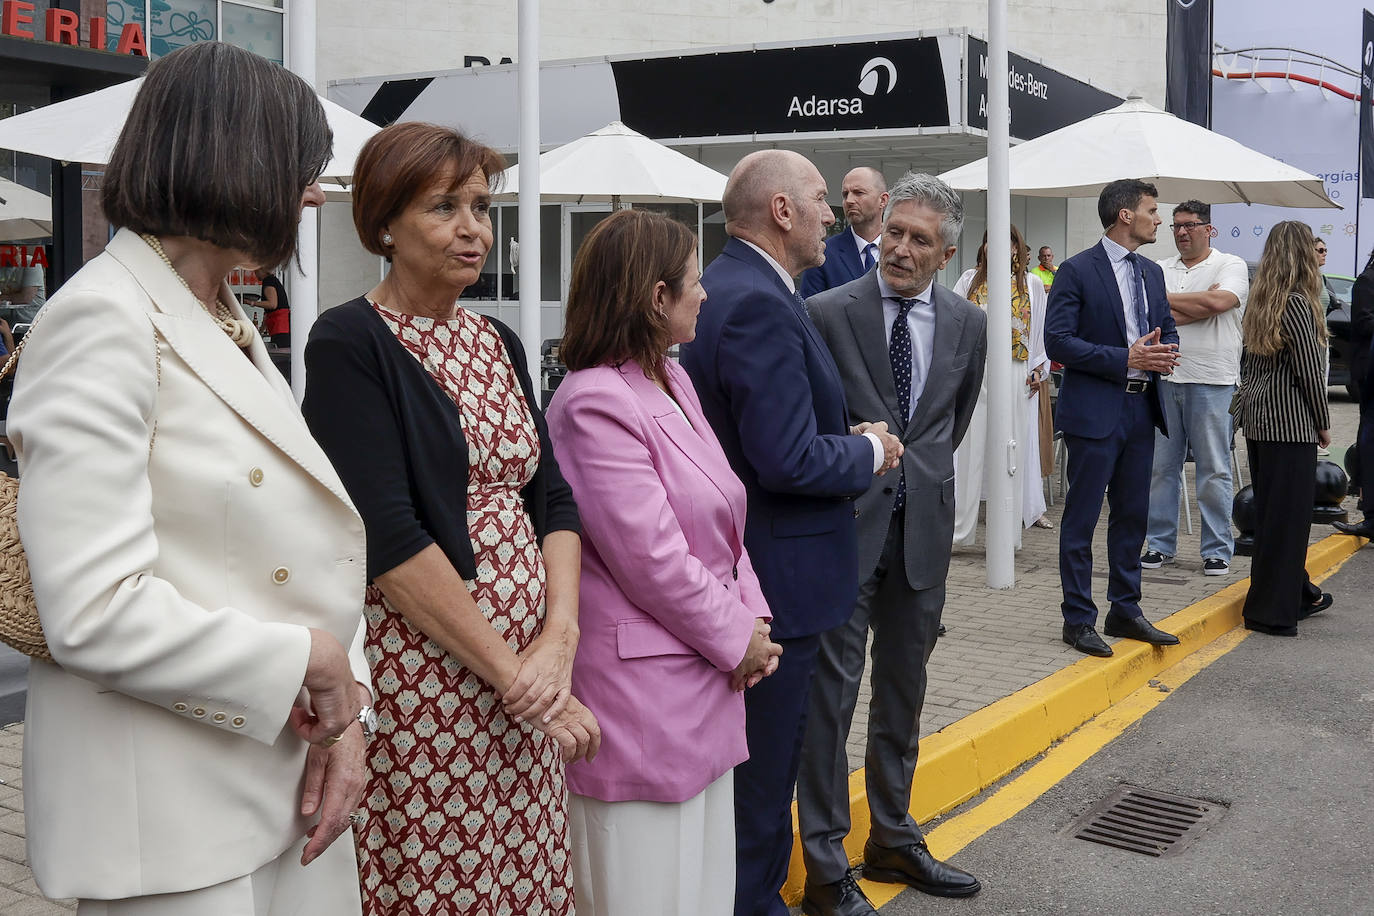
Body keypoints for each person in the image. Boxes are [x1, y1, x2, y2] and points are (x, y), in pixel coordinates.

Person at [8, 42, 372, 913]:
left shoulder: (221, 318)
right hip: (165, 824)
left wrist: (349, 708)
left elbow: (306, 541)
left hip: (275, 790)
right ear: (235, 164)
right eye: (300, 170)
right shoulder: (102, 318)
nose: (314, 194)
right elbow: (93, 609)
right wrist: (309, 662)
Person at [301, 121, 599, 915]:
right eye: (443, 208)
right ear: (384, 226)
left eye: (478, 205)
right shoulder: (349, 340)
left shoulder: (498, 339)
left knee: (526, 867)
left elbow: (554, 500)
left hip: (533, 669)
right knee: (444, 879)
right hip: (435, 679)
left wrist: (558, 640)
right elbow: (390, 543)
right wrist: (515, 675)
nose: (473, 228)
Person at [679, 149, 902, 916]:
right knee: (762, 786)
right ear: (780, 212)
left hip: (759, 577)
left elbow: (767, 432)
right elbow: (783, 458)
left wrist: (841, 431)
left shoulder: (737, 288)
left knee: (759, 782)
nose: (831, 212)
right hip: (776, 584)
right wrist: (870, 449)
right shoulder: (757, 301)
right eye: (817, 198)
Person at [545, 209, 781, 916]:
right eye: (693, 281)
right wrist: (738, 636)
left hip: (704, 680)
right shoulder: (592, 400)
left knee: (705, 891)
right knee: (645, 892)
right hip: (642, 697)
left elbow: (728, 523)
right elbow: (651, 558)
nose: (705, 293)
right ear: (654, 298)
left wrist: (754, 621)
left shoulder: (672, 382)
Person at [799, 172, 986, 916]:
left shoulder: (967, 325)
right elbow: (813, 423)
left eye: (916, 240)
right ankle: (823, 865)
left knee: (903, 696)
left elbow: (947, 425)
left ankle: (893, 837)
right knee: (831, 701)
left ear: (946, 253)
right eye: (893, 233)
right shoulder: (824, 311)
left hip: (924, 537)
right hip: (844, 533)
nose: (897, 249)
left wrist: (923, 490)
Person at [1045, 178, 1182, 658]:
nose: (1158, 218)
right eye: (1152, 209)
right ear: (1125, 214)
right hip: (1096, 411)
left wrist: (1164, 354)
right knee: (1080, 520)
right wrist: (1125, 357)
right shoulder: (1076, 270)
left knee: (1132, 517)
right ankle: (1077, 619)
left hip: (1141, 409)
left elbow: (1165, 328)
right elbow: (1057, 342)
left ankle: (1125, 609)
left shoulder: (1151, 273)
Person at [1230, 220, 1333, 634]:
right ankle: (1272, 612)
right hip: (1291, 427)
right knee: (1289, 523)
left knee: (1273, 519)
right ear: (1302, 254)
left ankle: (1295, 595)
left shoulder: (1261, 300)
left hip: (1259, 424)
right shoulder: (1298, 303)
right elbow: (1309, 370)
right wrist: (1324, 423)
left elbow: (1249, 364)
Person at [1142, 201, 1249, 577]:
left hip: (1212, 378)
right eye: (1176, 226)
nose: (1182, 232)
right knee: (1161, 468)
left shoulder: (1229, 264)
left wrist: (1168, 302)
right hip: (1166, 376)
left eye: (1189, 225)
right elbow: (1151, 314)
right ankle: (1159, 544)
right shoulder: (1159, 268)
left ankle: (1217, 549)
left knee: (1213, 468)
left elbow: (1221, 301)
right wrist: (1203, 306)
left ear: (1209, 229)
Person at [951, 224, 1052, 541]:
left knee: (1011, 448)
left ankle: (1006, 535)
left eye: (1005, 242)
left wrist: (1039, 368)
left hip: (1014, 369)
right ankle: (959, 530)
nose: (995, 247)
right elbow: (952, 325)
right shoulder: (969, 280)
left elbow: (1040, 332)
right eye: (989, 242)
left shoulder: (1031, 284)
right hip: (975, 369)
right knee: (968, 445)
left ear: (1015, 249)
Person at [1333, 249, 1374, 538]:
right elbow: (1363, 323)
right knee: (1369, 442)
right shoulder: (1368, 281)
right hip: (1370, 375)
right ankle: (1369, 511)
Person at [800, 167, 888, 297]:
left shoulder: (901, 251)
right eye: (845, 194)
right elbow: (810, 311)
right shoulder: (822, 255)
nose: (849, 201)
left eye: (859, 193)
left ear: (883, 200)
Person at [0, 259, 45, 324]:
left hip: (31, 320)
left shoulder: (31, 263)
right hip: (7, 319)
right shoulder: (2, 267)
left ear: (19, 249)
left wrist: (3, 298)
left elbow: (26, 297)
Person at [255, 266, 291, 347]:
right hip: (281, 325)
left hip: (280, 325)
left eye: (256, 271)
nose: (255, 274)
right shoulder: (273, 280)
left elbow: (272, 304)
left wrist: (252, 303)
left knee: (281, 351)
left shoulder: (268, 281)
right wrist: (260, 331)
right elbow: (267, 313)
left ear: (262, 270)